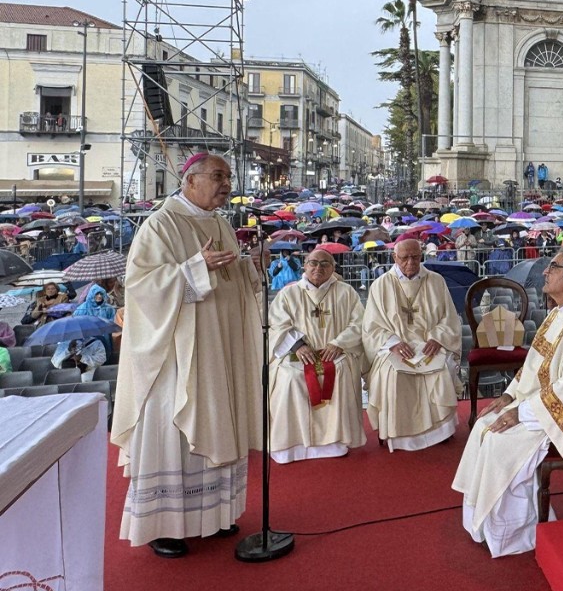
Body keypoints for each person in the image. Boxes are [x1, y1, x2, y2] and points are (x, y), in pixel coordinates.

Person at [110, 152, 268, 558]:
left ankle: (212, 515)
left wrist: (253, 268)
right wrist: (193, 269)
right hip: (176, 357)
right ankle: (166, 524)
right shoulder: (160, 225)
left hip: (220, 352)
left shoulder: (219, 223)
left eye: (228, 177)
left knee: (219, 421)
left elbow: (230, 281)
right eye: (218, 176)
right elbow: (141, 288)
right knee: (174, 432)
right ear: (190, 180)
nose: (227, 185)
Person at [452, 249, 563, 557]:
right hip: (543, 403)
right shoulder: (561, 312)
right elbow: (535, 362)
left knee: (499, 441)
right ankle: (488, 523)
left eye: (552, 267)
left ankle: (516, 532)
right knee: (483, 426)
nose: (545, 272)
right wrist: (509, 396)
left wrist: (521, 412)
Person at [267, 249, 367, 463]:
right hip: (298, 353)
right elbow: (278, 324)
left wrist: (338, 343)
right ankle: (290, 445)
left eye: (324, 264)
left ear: (333, 268)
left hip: (335, 352)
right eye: (313, 263)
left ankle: (335, 442)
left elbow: (359, 324)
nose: (318, 268)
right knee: (290, 378)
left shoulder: (346, 292)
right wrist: (298, 345)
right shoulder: (289, 293)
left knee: (340, 372)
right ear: (304, 265)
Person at [362, 238, 462, 451]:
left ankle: (440, 429)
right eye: (405, 257)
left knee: (441, 368)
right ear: (394, 257)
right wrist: (393, 343)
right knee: (392, 373)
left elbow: (450, 318)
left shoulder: (436, 281)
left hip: (429, 344)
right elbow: (372, 326)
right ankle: (398, 435)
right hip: (395, 347)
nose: (410, 262)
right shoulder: (381, 285)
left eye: (415, 257)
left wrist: (438, 337)